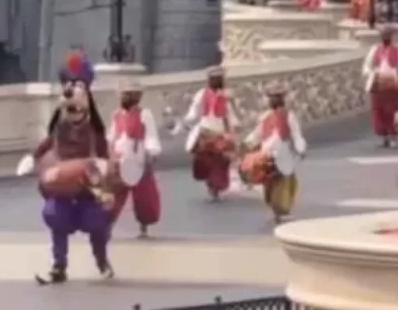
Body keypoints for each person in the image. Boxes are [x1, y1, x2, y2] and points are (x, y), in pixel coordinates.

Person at [15, 51, 114, 283]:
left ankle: (101, 260)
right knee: (56, 216)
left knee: (97, 223)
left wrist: (106, 178)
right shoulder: (59, 127)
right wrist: (33, 158)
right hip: (63, 186)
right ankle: (59, 265)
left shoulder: (94, 132)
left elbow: (105, 156)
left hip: (89, 189)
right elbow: (47, 143)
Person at [244, 83, 308, 224]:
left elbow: (296, 135)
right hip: (267, 154)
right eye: (272, 98)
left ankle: (282, 210)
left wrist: (301, 148)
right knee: (269, 184)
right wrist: (247, 143)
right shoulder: (265, 117)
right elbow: (257, 134)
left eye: (277, 98)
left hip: (284, 156)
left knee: (284, 183)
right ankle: (275, 210)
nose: (274, 101)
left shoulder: (289, 116)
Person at [174, 66, 240, 201]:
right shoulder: (201, 94)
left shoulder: (226, 96)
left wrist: (234, 126)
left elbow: (229, 113)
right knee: (206, 161)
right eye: (213, 79)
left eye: (218, 79)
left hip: (220, 132)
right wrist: (187, 120)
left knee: (220, 162)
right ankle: (211, 185)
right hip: (205, 131)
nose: (216, 81)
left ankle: (216, 187)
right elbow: (194, 111)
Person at [107, 79, 162, 238]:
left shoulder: (145, 114)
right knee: (114, 194)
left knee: (144, 196)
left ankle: (144, 225)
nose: (123, 98)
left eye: (127, 95)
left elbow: (151, 135)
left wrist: (151, 152)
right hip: (120, 157)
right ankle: (107, 225)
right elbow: (112, 136)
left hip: (139, 158)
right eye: (122, 95)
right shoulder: (117, 115)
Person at [362, 23, 398, 147]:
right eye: (384, 35)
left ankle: (393, 136)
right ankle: (384, 136)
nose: (386, 37)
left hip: (392, 83)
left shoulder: (396, 50)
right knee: (379, 111)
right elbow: (367, 65)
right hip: (378, 83)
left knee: (392, 111)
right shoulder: (375, 49)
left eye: (388, 35)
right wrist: (372, 73)